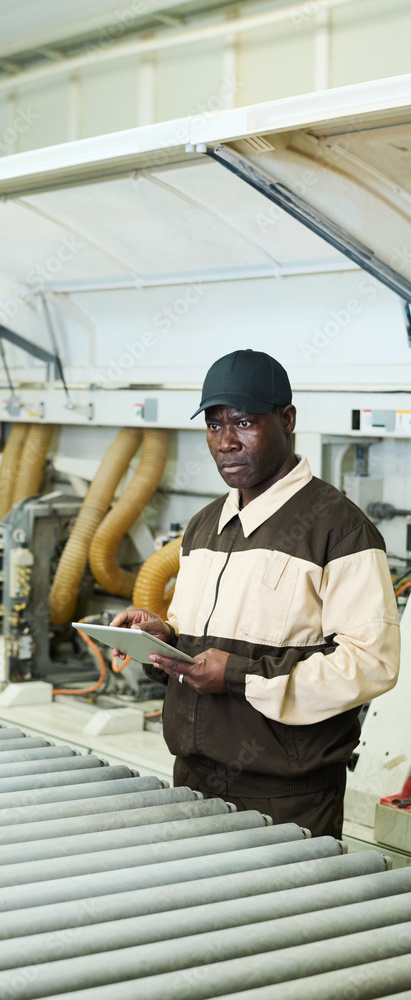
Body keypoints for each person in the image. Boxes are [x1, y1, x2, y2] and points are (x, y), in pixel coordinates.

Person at [112, 349, 399, 837]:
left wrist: (240, 677)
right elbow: (200, 643)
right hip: (193, 778)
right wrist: (162, 639)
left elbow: (372, 664)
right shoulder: (204, 527)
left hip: (287, 797)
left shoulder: (339, 529)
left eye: (244, 423)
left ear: (287, 420)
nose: (226, 442)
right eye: (214, 425)